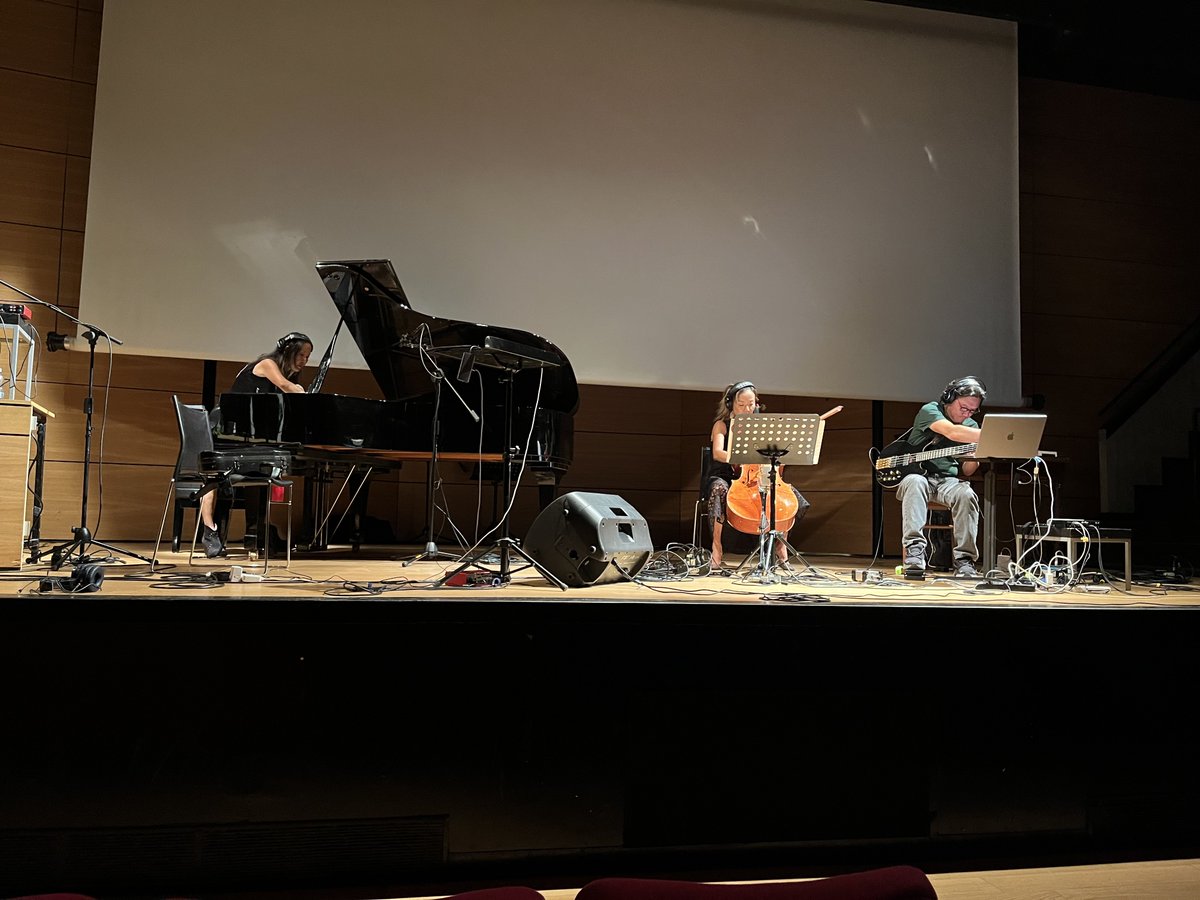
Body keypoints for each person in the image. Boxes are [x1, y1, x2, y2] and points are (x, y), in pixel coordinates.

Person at [198, 332, 312, 557]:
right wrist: (305, 394)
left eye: (307, 357)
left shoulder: (285, 375)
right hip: (224, 430)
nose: (304, 360)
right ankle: (209, 529)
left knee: (264, 466)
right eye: (301, 354)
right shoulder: (268, 364)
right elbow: (287, 387)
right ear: (288, 351)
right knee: (214, 475)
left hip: (246, 436)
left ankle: (257, 531)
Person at [706, 381, 809, 569]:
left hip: (752, 477)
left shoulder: (762, 427)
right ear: (730, 404)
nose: (747, 409)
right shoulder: (722, 425)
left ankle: (780, 546)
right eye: (741, 405)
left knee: (795, 500)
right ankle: (717, 548)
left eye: (751, 404)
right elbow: (717, 453)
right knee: (718, 489)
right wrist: (740, 457)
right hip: (726, 475)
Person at [897, 376, 985, 578]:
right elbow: (952, 432)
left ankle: (964, 560)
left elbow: (969, 470)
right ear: (949, 398)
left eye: (972, 410)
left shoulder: (971, 426)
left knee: (966, 494)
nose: (967, 414)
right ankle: (915, 551)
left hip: (948, 481)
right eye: (964, 408)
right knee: (915, 482)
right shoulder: (931, 411)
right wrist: (991, 434)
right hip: (917, 476)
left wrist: (977, 454)